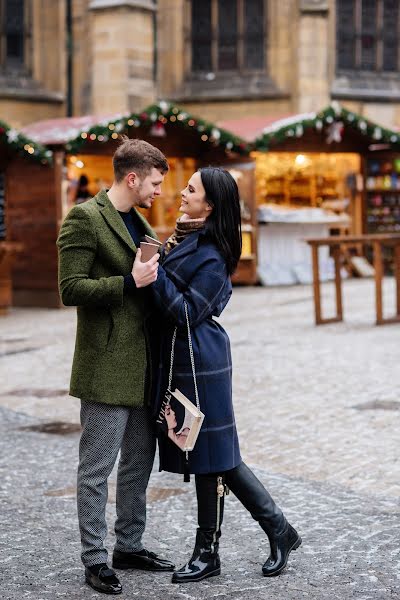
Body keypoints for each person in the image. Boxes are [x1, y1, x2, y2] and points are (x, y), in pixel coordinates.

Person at [147, 167, 301, 583]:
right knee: (209, 456)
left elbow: (185, 311)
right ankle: (245, 540)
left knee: (215, 456)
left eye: (191, 188)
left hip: (202, 362)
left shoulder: (212, 253)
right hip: (181, 360)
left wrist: (153, 273)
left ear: (210, 204)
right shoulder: (185, 237)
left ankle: (244, 539)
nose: (182, 191)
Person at [56, 137, 175, 595]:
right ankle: (95, 559)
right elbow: (70, 289)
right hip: (105, 364)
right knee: (96, 468)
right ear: (132, 178)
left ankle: (129, 544)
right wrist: (128, 282)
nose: (159, 191)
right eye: (155, 183)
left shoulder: (138, 220)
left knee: (138, 462)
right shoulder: (84, 218)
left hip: (143, 364)